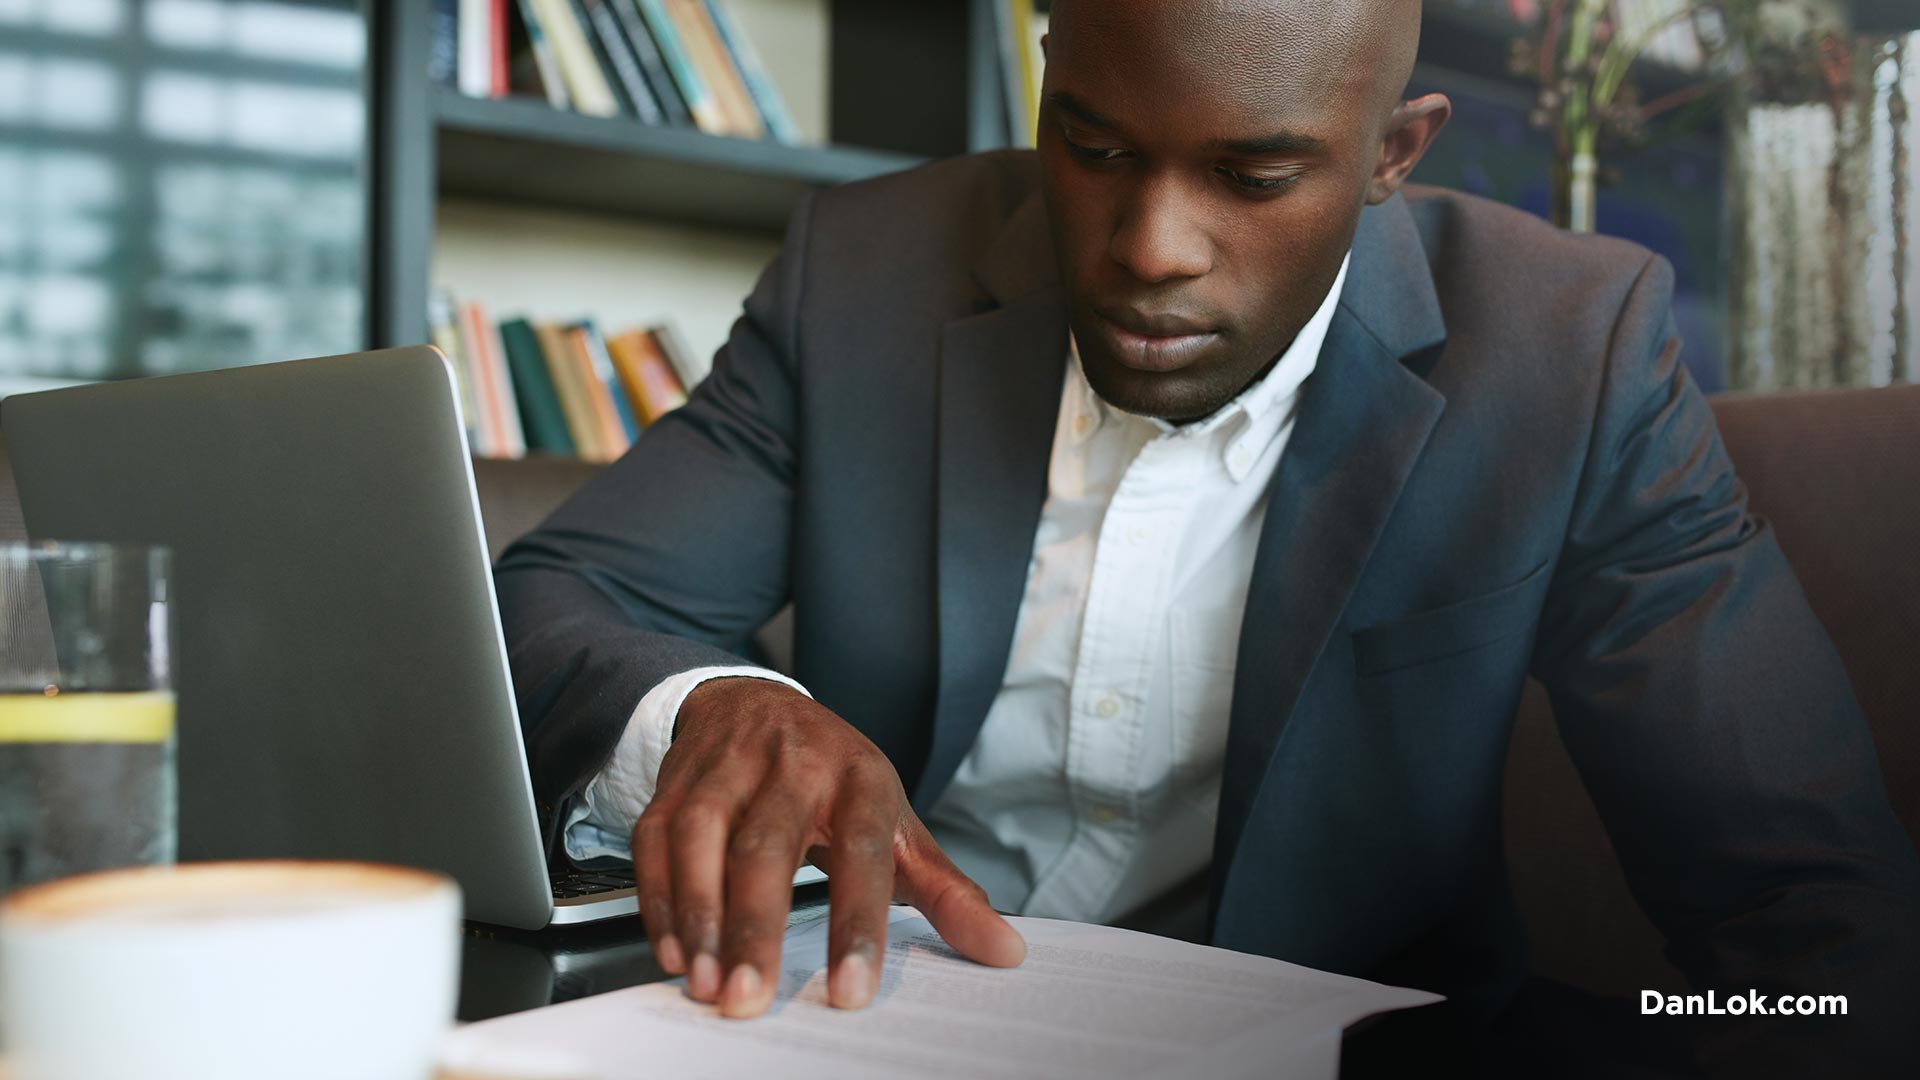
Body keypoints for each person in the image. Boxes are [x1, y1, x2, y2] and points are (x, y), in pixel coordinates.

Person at [494, 0, 1920, 1074]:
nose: (1152, 244)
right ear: (1048, 79)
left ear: (1392, 154)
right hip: (845, 1031)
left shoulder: (1568, 355)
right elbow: (559, 596)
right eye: (1098, 146)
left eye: (1253, 176)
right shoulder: (865, 272)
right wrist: (709, 707)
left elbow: (1807, 925)